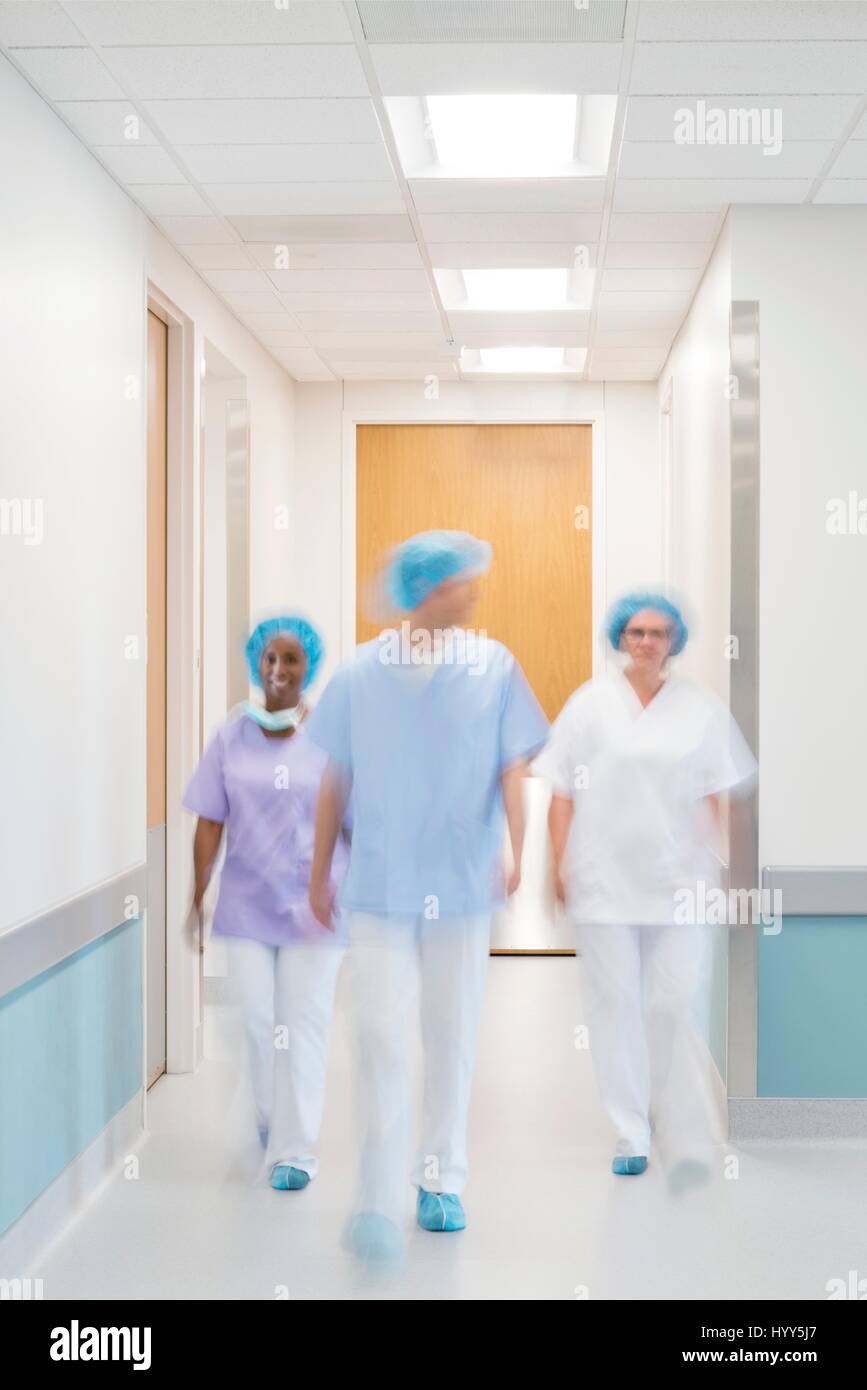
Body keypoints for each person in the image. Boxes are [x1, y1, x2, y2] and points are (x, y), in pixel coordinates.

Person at [306, 530, 548, 1256]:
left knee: (450, 1033)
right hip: (379, 883)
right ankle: (376, 1193)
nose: (473, 595)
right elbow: (332, 780)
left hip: (460, 880)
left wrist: (516, 849)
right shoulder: (357, 675)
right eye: (459, 584)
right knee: (378, 1033)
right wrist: (318, 872)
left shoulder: (493, 668)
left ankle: (439, 1179)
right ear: (422, 593)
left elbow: (513, 766)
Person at [534, 591, 756, 1187]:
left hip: (680, 881)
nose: (647, 642)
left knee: (670, 1001)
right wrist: (559, 862)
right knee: (613, 1006)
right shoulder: (590, 705)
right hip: (602, 879)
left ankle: (668, 1109)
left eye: (659, 633)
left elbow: (724, 790)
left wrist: (734, 872)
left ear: (674, 641)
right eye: (636, 632)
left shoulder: (700, 709)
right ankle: (629, 1127)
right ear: (620, 639)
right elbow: (561, 790)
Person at [183, 615, 348, 1193]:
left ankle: (295, 1150)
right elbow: (210, 818)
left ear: (310, 668)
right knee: (257, 1022)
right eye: (269, 659)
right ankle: (270, 1116)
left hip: (314, 903)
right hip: (248, 902)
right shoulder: (231, 734)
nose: (277, 671)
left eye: (291, 660)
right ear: (257, 663)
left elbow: (356, 821)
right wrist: (195, 896)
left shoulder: (332, 735)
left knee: (302, 1024)